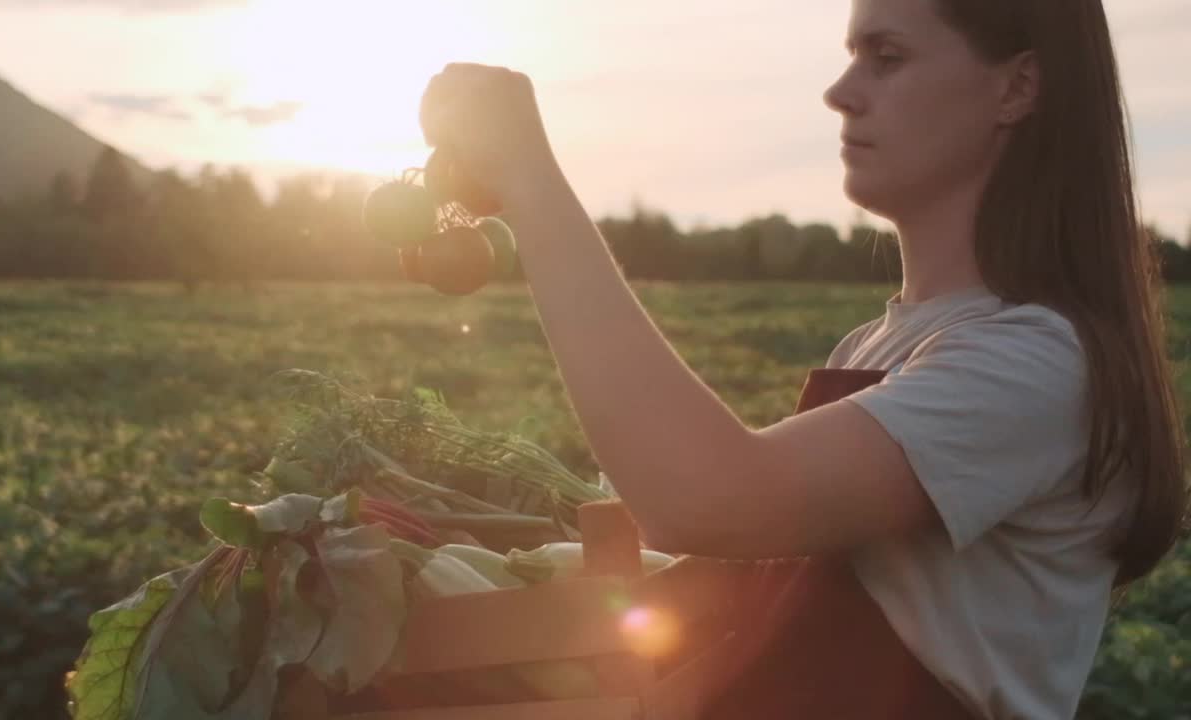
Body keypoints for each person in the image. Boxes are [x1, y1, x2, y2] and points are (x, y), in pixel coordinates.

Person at [418, 0, 1189, 717]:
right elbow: (756, 607)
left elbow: (707, 501)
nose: (840, 92)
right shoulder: (874, 346)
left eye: (885, 57)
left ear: (1016, 87)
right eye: (852, 55)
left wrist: (533, 184)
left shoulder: (1040, 364)